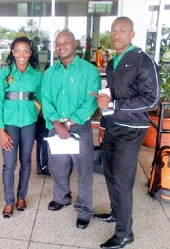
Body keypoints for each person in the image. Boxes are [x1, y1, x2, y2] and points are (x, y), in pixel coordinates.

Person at [90, 17, 159, 249]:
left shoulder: (142, 59)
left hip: (132, 130)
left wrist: (113, 106)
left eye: (122, 31)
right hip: (113, 126)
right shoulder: (113, 61)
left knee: (122, 180)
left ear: (132, 34)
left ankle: (124, 233)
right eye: (113, 30)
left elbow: (152, 100)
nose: (116, 34)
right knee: (109, 172)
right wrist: (103, 124)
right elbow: (110, 94)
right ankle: (115, 213)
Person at [41, 28, 101, 229]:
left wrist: (69, 123)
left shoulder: (89, 71)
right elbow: (46, 100)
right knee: (57, 166)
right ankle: (61, 197)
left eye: (66, 42)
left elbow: (91, 102)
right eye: (58, 43)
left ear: (75, 44)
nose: (61, 46)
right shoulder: (49, 73)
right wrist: (57, 124)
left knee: (84, 170)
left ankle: (84, 208)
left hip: (80, 127)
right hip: (56, 127)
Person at [0, 36, 42, 218]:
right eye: (18, 51)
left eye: (26, 51)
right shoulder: (4, 73)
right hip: (10, 125)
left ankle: (21, 196)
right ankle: (9, 201)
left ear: (30, 53)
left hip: (29, 123)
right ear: (13, 52)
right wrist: (1, 130)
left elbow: (42, 98)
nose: (21, 54)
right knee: (9, 164)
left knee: (26, 161)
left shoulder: (37, 75)